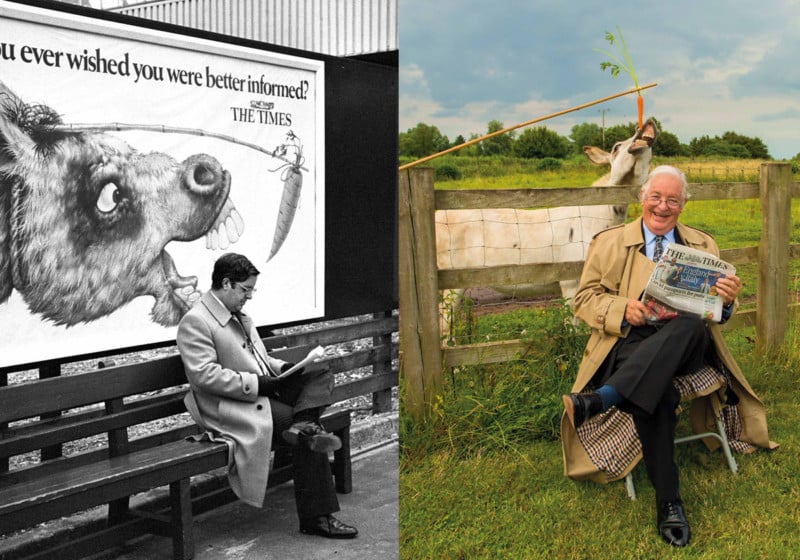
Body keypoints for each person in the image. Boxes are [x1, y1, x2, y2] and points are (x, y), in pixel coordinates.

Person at [560, 165, 775, 547]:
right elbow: (583, 299)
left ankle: (605, 399)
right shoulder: (609, 242)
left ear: (684, 204)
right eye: (656, 197)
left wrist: (727, 301)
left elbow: (718, 314)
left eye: (672, 200)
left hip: (687, 343)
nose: (663, 206)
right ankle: (669, 503)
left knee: (691, 326)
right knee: (657, 393)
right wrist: (621, 308)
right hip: (629, 341)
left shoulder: (702, 244)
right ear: (642, 198)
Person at [177, 253, 358, 539]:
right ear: (226, 283)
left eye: (251, 290)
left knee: (319, 371)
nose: (248, 297)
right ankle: (317, 518)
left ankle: (303, 423)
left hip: (260, 392)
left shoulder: (240, 315)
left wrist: (286, 368)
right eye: (245, 290)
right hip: (232, 405)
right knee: (309, 436)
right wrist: (256, 384)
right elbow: (204, 376)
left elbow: (260, 358)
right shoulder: (196, 322)